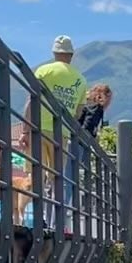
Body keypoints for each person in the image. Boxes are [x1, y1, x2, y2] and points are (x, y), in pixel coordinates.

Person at [29, 35, 87, 204]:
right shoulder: (81, 80)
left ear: (54, 52)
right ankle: (56, 219)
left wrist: (26, 129)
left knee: (36, 172)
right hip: (61, 132)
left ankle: (38, 217)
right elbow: (78, 113)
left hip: (38, 127)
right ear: (71, 54)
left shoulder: (42, 71)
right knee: (57, 177)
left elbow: (31, 99)